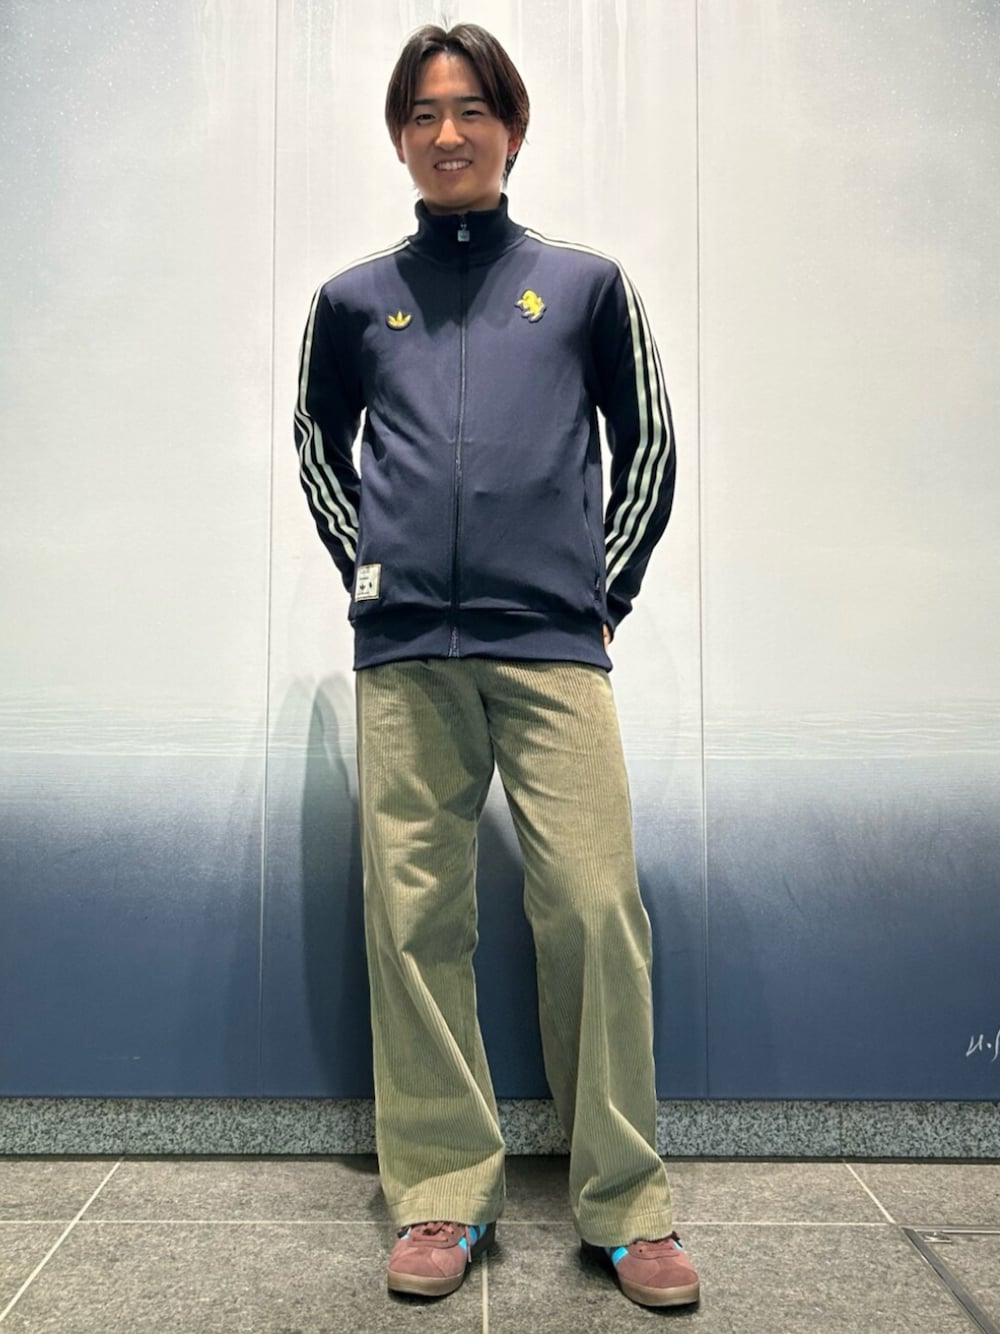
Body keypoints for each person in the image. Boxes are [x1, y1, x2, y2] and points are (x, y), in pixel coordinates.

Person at [294, 22, 699, 1310]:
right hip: (407, 653)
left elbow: (650, 443)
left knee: (595, 907)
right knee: (415, 921)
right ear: (399, 136)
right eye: (423, 113)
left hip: (551, 645)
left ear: (512, 129)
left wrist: (604, 591)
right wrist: (370, 574)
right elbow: (316, 442)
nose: (448, 133)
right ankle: (440, 1193)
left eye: (471, 109)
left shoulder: (585, 287)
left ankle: (626, 1207)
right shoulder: (352, 301)